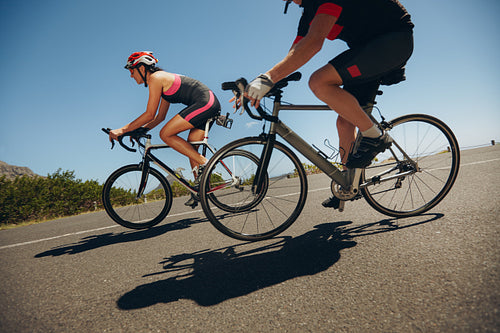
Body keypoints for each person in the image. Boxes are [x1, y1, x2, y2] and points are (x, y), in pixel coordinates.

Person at [245, 0, 414, 209]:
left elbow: (314, 43)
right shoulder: (308, 13)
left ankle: (376, 136)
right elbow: (295, 53)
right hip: (368, 48)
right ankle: (349, 184)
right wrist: (257, 85)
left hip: (393, 40)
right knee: (345, 123)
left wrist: (268, 78)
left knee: (319, 81)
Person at [109, 51, 221, 208]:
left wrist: (122, 130)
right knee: (191, 146)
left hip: (205, 102)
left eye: (131, 71)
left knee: (165, 134)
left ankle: (206, 163)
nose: (131, 75)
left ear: (142, 68)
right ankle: (200, 189)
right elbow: (159, 116)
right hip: (207, 102)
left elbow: (149, 114)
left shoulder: (156, 78)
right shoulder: (161, 81)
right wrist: (139, 131)